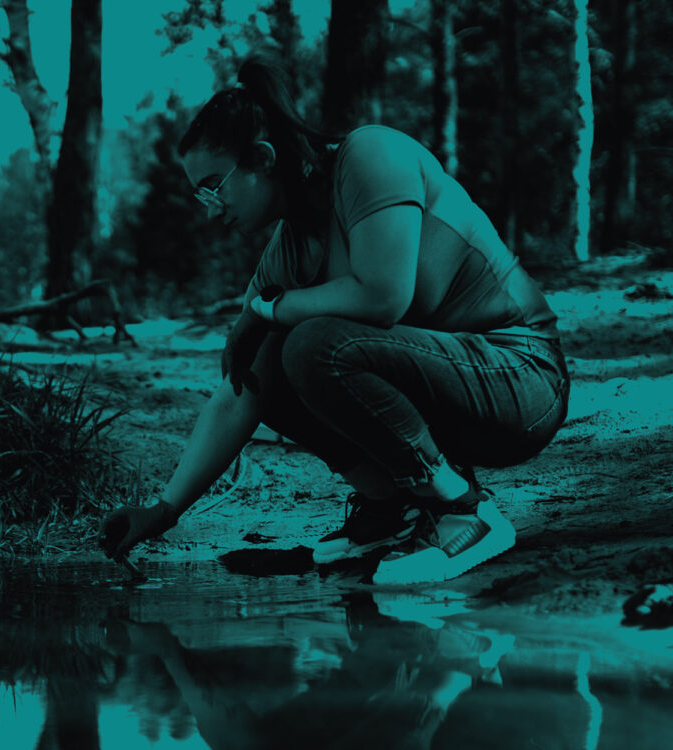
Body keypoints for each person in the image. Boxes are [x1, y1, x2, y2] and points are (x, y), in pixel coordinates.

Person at [99, 57, 569, 584]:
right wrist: (164, 510)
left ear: (262, 159)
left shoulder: (370, 156)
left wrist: (266, 309)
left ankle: (461, 510)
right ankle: (393, 507)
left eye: (214, 186)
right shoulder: (290, 245)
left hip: (520, 381)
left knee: (312, 344)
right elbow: (238, 392)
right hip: (452, 401)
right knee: (269, 358)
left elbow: (383, 296)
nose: (211, 209)